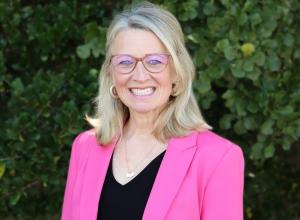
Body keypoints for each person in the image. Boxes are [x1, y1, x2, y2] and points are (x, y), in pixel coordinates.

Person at [61, 2, 244, 220]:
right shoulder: (85, 147)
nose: (139, 76)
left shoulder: (217, 158)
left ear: (176, 73)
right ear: (111, 73)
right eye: (126, 62)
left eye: (154, 61)